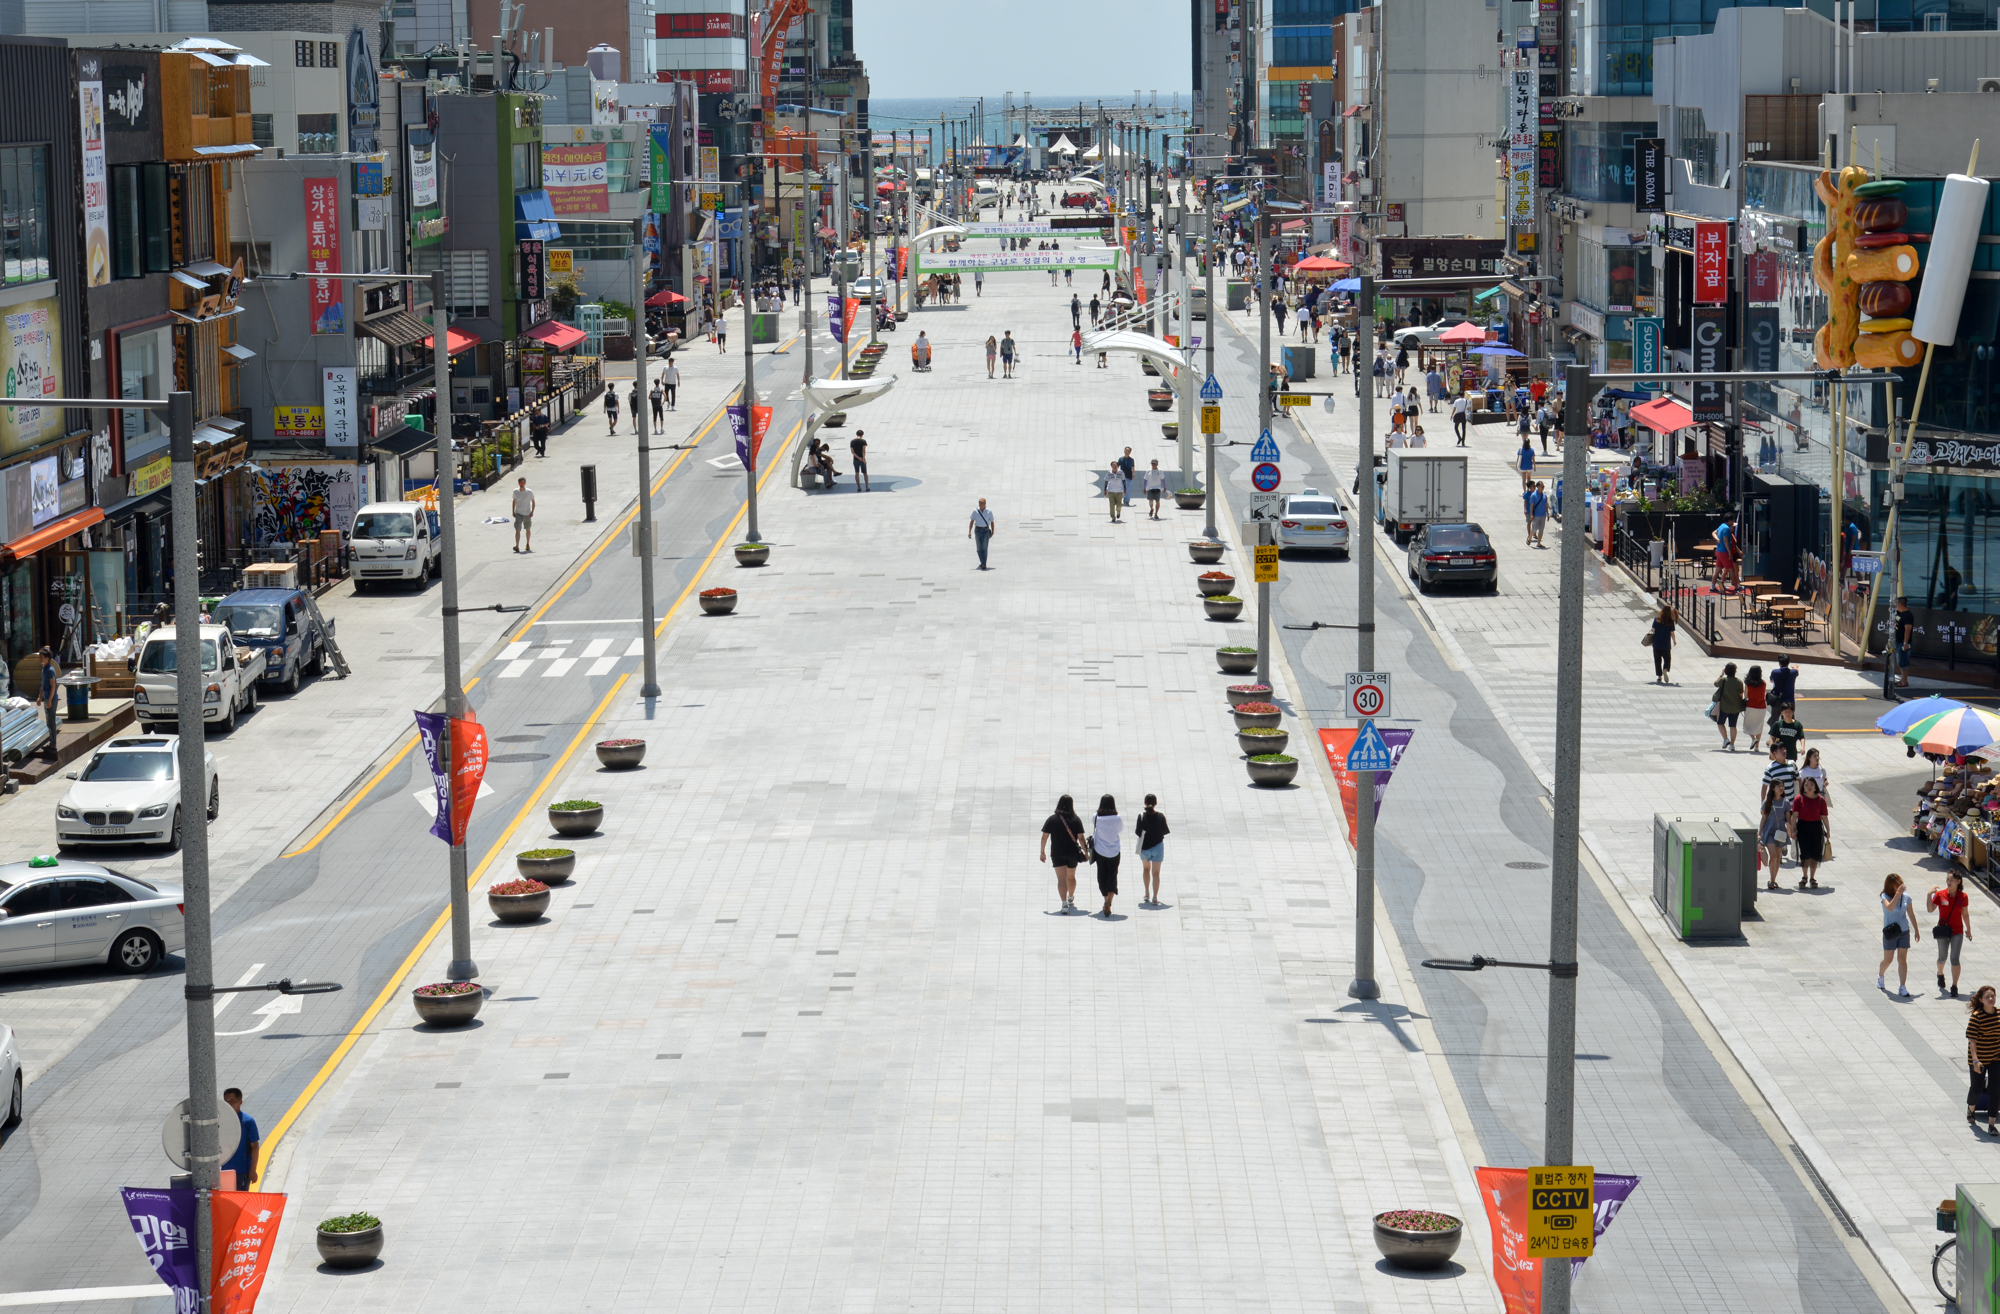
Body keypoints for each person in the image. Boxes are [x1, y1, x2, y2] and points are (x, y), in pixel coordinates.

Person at [1040, 794, 1087, 914]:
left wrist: (1042, 852)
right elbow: (1081, 838)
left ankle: (1064, 904)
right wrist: (1086, 852)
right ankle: (1070, 897)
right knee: (1071, 877)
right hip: (1072, 853)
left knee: (1061, 879)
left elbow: (1044, 837)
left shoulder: (1052, 819)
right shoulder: (1076, 820)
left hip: (1057, 853)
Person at [1758, 745, 1797, 888]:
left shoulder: (1786, 802)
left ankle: (1773, 880)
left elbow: (1788, 819)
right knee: (1773, 855)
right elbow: (1763, 818)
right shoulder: (1768, 802)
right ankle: (1772, 877)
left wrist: (1792, 830)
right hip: (1769, 830)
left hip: (1780, 831)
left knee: (1778, 856)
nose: (1782, 788)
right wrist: (1759, 833)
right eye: (1778, 786)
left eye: (1782, 786)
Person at [1933, 870, 1974, 996]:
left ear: (1958, 881)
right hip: (1943, 931)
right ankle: (1940, 973)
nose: (1948, 882)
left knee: (1954, 958)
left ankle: (1954, 986)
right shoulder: (1940, 894)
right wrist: (1930, 894)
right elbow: (1930, 909)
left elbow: (1965, 914)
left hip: (1957, 931)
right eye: (1947, 879)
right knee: (1942, 957)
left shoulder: (1963, 896)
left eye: (1951, 880)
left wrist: (1968, 929)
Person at [1881, 873, 1920, 997]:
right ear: (1891, 886)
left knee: (1902, 959)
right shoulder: (1884, 896)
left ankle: (1902, 987)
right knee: (1888, 959)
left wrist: (1916, 930)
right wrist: (1897, 894)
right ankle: (1880, 975)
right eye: (1898, 883)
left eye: (1901, 882)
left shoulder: (1906, 897)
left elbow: (1911, 914)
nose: (1901, 885)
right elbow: (1889, 908)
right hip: (1890, 931)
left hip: (1903, 931)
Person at [1968, 985, 2000, 1132]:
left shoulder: (1999, 1014)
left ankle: (1992, 1125)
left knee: (1995, 1091)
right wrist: (1975, 1061)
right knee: (1977, 1089)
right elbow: (1972, 1040)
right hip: (1979, 1059)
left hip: (1996, 1058)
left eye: (1993, 996)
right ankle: (1971, 1109)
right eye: (1987, 997)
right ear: (1981, 999)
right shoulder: (1977, 1016)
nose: (1991, 999)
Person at [1790, 777, 1828, 888]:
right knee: (1805, 854)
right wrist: (1793, 829)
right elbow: (1795, 815)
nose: (1809, 787)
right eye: (1806, 785)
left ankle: (1812, 877)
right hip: (1803, 827)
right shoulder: (1799, 798)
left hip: (1816, 828)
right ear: (1803, 787)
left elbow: (1824, 817)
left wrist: (1828, 831)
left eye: (1811, 784)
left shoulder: (1821, 800)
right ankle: (1804, 876)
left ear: (1815, 786)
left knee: (1815, 854)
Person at [1091, 794, 1123, 917]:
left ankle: (1105, 899)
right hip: (1114, 851)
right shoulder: (1118, 818)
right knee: (1112, 875)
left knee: (1102, 875)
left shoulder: (1096, 817)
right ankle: (1109, 900)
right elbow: (1120, 830)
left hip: (1100, 851)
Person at [221, 1088, 260, 1190]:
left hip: (242, 1170)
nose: (229, 1105)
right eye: (226, 1102)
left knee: (240, 1201)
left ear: (240, 1102)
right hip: (225, 1170)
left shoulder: (248, 1121)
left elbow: (255, 1147)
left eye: (232, 1101)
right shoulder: (221, 1121)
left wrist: (253, 1170)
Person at [1135, 794, 1170, 906]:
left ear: (1145, 802)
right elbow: (1164, 831)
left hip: (1145, 848)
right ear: (1156, 803)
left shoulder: (1141, 816)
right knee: (1156, 873)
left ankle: (1146, 893)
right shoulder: (1160, 816)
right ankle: (1155, 897)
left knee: (1146, 869)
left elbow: (1137, 832)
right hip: (1158, 847)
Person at [1713, 661, 1745, 750]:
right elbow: (1741, 694)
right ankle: (1732, 744)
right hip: (1735, 707)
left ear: (1726, 671)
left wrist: (1721, 675)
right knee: (1733, 725)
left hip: (1724, 707)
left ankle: (1725, 739)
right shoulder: (1739, 681)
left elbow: (1715, 684)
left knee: (1720, 723)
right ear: (1735, 671)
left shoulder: (1724, 680)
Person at [35, 647, 59, 761]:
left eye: (42, 657)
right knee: (49, 722)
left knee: (52, 721)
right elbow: (43, 684)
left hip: (51, 698)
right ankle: (51, 743)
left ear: (47, 659)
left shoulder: (50, 670)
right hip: (45, 697)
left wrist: (49, 700)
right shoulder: (44, 668)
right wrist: (40, 697)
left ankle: (53, 744)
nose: (40, 659)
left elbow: (53, 686)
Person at [1743, 664, 1769, 752]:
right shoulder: (1764, 683)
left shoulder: (1747, 684)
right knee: (1759, 726)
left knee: (1747, 725)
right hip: (1761, 706)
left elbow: (1746, 696)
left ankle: (1753, 739)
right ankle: (1757, 747)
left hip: (1751, 706)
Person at [1648, 605, 1676, 683]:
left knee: (1657, 660)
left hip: (1656, 643)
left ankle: (1659, 676)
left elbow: (1653, 630)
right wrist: (1674, 641)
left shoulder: (1657, 619)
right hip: (1666, 644)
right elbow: (1672, 633)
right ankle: (1665, 669)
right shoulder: (1671, 621)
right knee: (1667, 659)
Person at [1893, 596, 1915, 686]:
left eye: (1896, 604)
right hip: (1897, 641)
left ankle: (1904, 681)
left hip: (1902, 642)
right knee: (1899, 661)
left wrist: (1905, 643)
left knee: (1903, 662)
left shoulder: (1908, 616)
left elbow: (1907, 630)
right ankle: (1902, 680)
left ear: (1900, 605)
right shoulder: (1899, 612)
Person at [968, 498, 995, 569]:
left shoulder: (989, 511)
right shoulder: (975, 511)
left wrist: (992, 531)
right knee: (979, 548)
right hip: (978, 530)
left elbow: (992, 522)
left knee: (984, 547)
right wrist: (970, 532)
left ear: (985, 504)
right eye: (979, 503)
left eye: (981, 503)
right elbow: (972, 521)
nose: (980, 505)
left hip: (986, 530)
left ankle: (983, 563)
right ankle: (982, 561)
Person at [511, 478, 535, 553]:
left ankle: (527, 543)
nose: (521, 485)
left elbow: (533, 502)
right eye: (520, 483)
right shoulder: (515, 491)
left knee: (528, 529)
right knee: (517, 529)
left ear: (525, 483)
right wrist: (513, 511)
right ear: (518, 483)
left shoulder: (529, 492)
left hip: (527, 513)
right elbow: (514, 501)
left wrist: (532, 512)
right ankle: (517, 545)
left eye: (522, 483)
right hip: (518, 513)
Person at [1527, 481, 1549, 548]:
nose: (1543, 488)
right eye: (1542, 486)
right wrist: (1531, 514)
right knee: (1534, 528)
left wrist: (1547, 513)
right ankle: (1530, 538)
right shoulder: (1534, 495)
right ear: (1538, 487)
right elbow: (1532, 505)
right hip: (1536, 515)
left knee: (1541, 529)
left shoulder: (1544, 495)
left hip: (1543, 514)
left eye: (1543, 486)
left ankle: (1539, 543)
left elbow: (1546, 505)